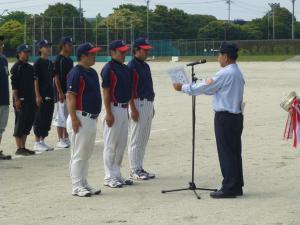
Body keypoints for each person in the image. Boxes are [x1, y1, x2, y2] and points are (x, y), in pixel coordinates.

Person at [173, 42, 245, 199]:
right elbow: (213, 89)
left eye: (219, 55)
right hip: (236, 116)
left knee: (226, 152)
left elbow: (205, 86)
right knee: (234, 152)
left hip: (225, 117)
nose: (218, 58)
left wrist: (183, 87)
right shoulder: (236, 72)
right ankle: (236, 184)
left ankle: (229, 187)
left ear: (226, 56)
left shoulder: (225, 73)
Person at [66, 42, 102, 197]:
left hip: (91, 118)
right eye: (91, 54)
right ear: (82, 56)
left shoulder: (92, 72)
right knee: (79, 154)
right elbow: (70, 96)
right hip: (80, 116)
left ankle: (83, 182)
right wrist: (74, 118)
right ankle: (76, 186)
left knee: (86, 154)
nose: (94, 56)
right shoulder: (76, 72)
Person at [101, 40, 134, 188]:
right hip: (113, 108)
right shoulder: (108, 69)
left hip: (123, 108)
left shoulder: (125, 69)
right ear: (112, 52)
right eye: (121, 51)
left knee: (121, 144)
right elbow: (106, 92)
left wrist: (128, 108)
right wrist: (108, 113)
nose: (124, 54)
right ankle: (109, 176)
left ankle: (117, 174)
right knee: (111, 145)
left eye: (125, 51)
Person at [127, 37, 155, 180]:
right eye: (144, 50)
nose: (147, 52)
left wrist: (152, 106)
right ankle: (134, 169)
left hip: (147, 103)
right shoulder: (132, 66)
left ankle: (139, 167)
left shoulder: (145, 65)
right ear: (136, 50)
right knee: (136, 138)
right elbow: (129, 89)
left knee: (143, 138)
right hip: (138, 103)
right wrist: (132, 108)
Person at [10, 44, 36, 156]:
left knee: (27, 123)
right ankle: (18, 147)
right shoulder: (16, 67)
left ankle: (23, 147)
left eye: (28, 52)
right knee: (20, 122)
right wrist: (16, 100)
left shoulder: (30, 67)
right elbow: (14, 86)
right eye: (25, 52)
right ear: (19, 53)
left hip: (30, 98)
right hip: (20, 99)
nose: (27, 54)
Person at [33, 40, 55, 152]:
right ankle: (37, 142)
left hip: (50, 93)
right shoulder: (38, 63)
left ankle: (42, 140)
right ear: (40, 49)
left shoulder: (50, 63)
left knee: (48, 117)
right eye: (46, 47)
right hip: (41, 94)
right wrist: (37, 95)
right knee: (40, 117)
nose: (48, 49)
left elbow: (52, 79)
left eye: (49, 46)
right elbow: (35, 80)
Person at [53, 37, 74, 148]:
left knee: (67, 115)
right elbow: (56, 76)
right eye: (70, 45)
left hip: (69, 92)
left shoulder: (70, 60)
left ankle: (66, 137)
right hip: (60, 92)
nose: (71, 47)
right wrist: (60, 92)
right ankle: (60, 139)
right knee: (60, 116)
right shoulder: (58, 59)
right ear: (64, 45)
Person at [0, 35, 11, 160]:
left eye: (2, 44)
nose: (2, 46)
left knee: (1, 127)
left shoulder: (4, 59)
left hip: (4, 98)